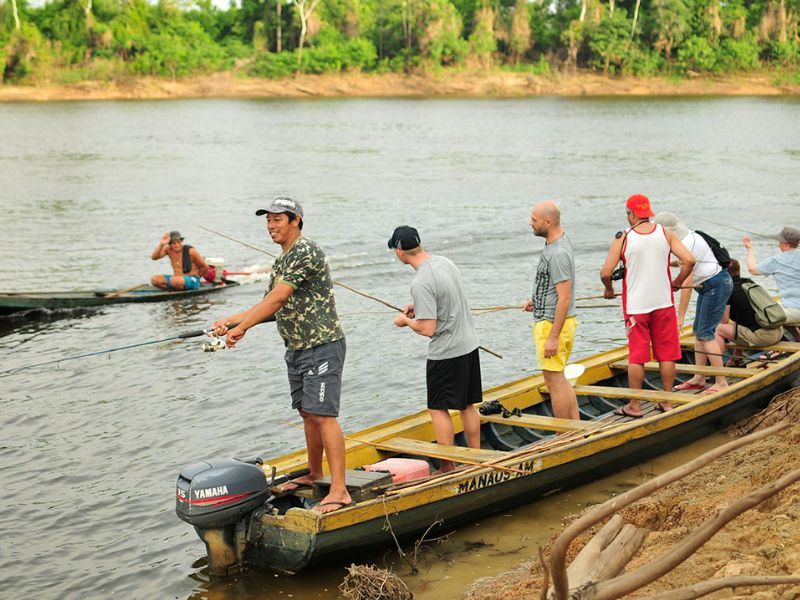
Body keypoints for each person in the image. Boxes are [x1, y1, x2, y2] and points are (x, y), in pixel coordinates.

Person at [212, 197, 350, 514]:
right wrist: (230, 322)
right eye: (268, 221)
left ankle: (340, 491)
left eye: (278, 220)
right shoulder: (282, 260)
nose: (272, 226)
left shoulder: (305, 251)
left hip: (322, 345)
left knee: (324, 415)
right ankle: (315, 473)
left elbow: (278, 298)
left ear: (296, 220)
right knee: (307, 412)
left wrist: (241, 327)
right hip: (297, 348)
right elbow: (269, 308)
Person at [389, 225, 482, 473]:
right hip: (469, 344)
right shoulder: (444, 263)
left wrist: (406, 321)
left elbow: (428, 328)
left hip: (447, 353)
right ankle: (476, 458)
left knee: (438, 408)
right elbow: (447, 297)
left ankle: (447, 466)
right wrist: (418, 305)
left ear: (399, 251)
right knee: (467, 405)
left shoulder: (420, 281)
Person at [600, 195, 695, 416]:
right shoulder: (665, 233)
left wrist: (608, 289)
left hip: (636, 307)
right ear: (648, 213)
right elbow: (689, 260)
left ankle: (634, 405)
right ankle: (668, 401)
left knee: (637, 356)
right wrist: (678, 282)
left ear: (631, 214)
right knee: (667, 354)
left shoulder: (624, 237)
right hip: (663, 303)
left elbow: (606, 272)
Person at [653, 213, 734, 394]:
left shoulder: (686, 244)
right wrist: (667, 264)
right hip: (709, 285)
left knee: (706, 334)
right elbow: (684, 262)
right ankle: (700, 377)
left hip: (716, 285)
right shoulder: (688, 237)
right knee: (698, 332)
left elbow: (687, 284)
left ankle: (721, 381)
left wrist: (680, 316)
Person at [521, 201, 579, 421]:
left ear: (548, 222)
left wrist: (553, 336)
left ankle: (564, 432)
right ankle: (574, 426)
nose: (530, 223)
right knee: (558, 378)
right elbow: (555, 289)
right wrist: (536, 300)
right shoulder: (555, 243)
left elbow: (564, 298)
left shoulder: (559, 253)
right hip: (550, 318)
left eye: (534, 220)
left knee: (554, 380)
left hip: (552, 325)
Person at [715, 259, 784, 360]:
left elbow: (724, 321)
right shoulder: (748, 282)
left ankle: (717, 366)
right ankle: (736, 359)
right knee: (740, 323)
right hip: (778, 331)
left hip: (764, 337)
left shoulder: (728, 289)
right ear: (738, 270)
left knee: (718, 328)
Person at [743, 226, 800, 328]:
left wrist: (749, 249)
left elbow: (752, 269)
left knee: (760, 314)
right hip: (792, 309)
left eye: (780, 242)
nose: (779, 244)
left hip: (792, 311)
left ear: (786, 244)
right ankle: (796, 337)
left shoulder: (776, 261)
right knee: (777, 306)